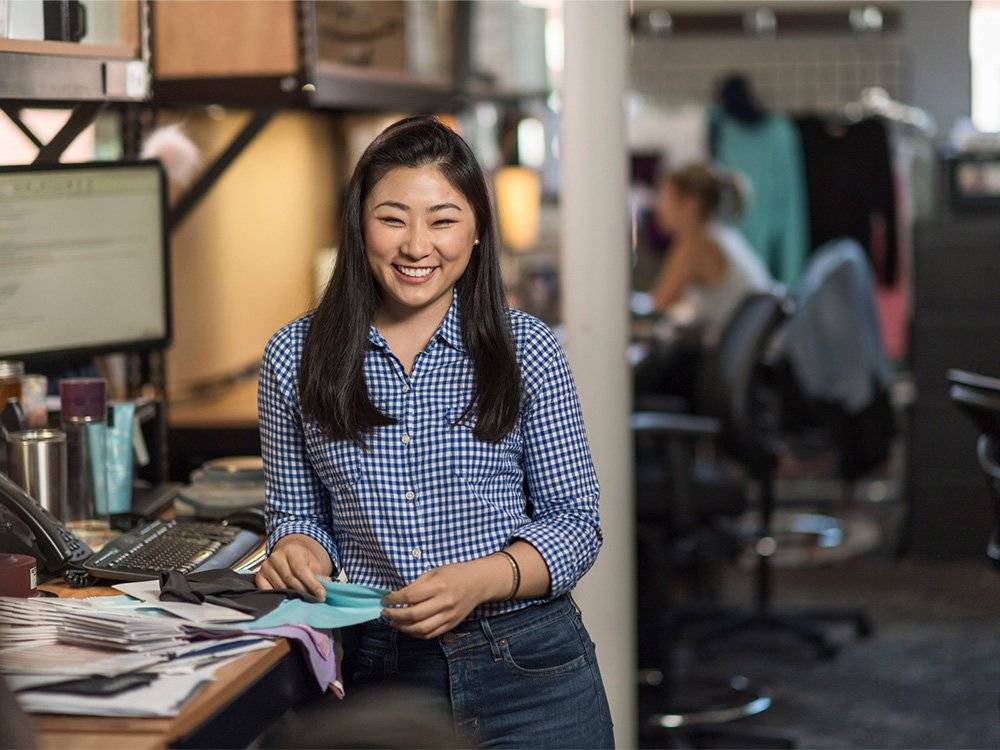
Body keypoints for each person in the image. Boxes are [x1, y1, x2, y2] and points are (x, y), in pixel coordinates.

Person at [254, 115, 614, 748]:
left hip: (531, 668)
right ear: (359, 225)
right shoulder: (296, 355)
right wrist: (298, 550)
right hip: (382, 669)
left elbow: (575, 523)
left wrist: (477, 579)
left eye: (442, 220)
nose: (417, 245)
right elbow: (297, 515)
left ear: (476, 231)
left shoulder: (525, 348)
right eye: (392, 218)